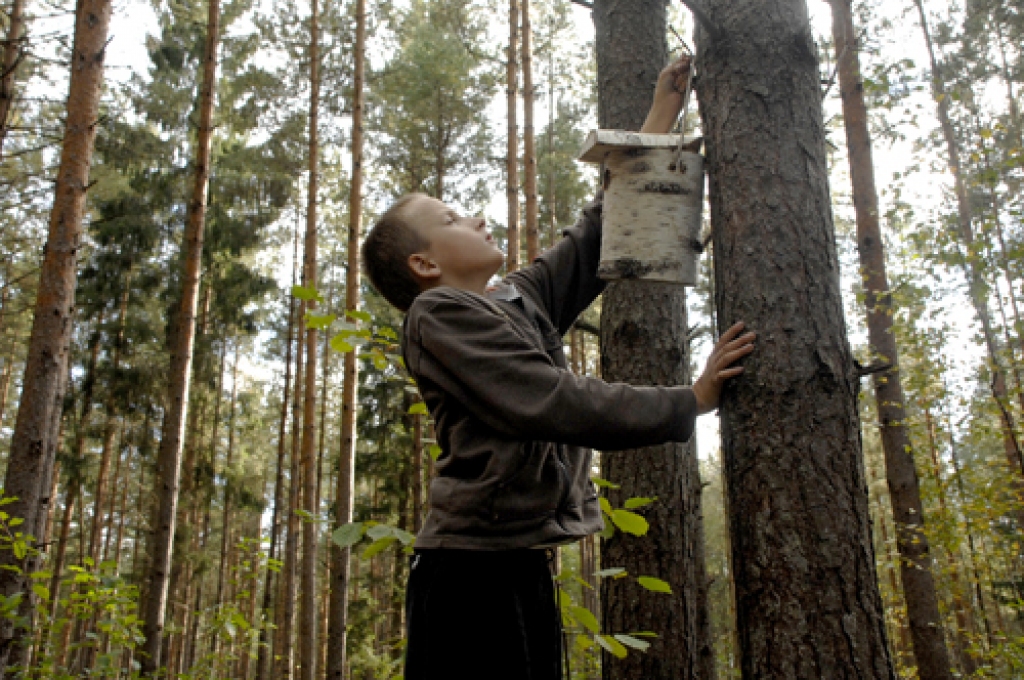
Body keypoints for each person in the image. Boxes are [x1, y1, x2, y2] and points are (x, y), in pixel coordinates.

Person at [360, 54, 756, 680]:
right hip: (468, 576)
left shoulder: (519, 298)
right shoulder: (438, 316)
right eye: (453, 220)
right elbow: (554, 400)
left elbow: (594, 237)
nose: (477, 218)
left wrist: (659, 117)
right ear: (425, 267)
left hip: (519, 563)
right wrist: (691, 399)